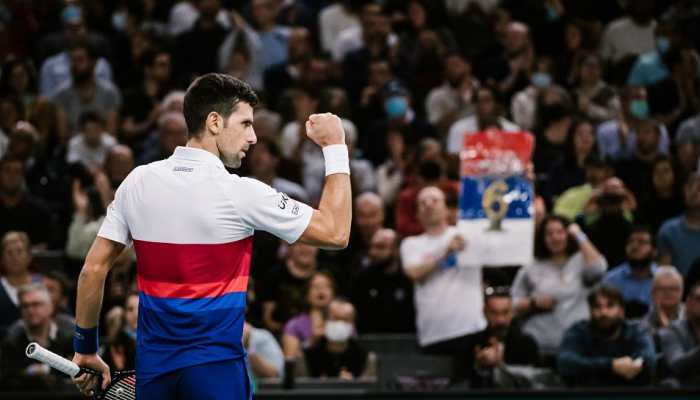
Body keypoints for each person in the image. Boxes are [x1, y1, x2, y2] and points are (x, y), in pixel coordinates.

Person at [70, 74, 352, 399]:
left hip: (153, 373)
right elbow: (335, 231)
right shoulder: (241, 193)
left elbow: (92, 271)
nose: (254, 137)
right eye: (246, 124)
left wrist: (86, 348)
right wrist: (335, 147)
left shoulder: (137, 182)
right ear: (215, 122)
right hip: (217, 372)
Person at [400, 186, 486, 354]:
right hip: (433, 333)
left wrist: (521, 182)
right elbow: (413, 272)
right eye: (422, 203)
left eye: (435, 200)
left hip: (470, 328)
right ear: (417, 214)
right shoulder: (411, 244)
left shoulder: (466, 235)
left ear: (447, 209)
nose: (429, 205)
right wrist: (445, 252)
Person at [512, 215, 607, 356]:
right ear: (542, 238)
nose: (555, 238)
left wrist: (579, 235)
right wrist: (533, 303)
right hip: (539, 343)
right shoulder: (531, 267)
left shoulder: (581, 261)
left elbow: (599, 270)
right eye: (549, 234)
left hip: (577, 345)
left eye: (560, 232)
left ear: (568, 235)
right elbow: (513, 304)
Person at [558, 285, 656, 387]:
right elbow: (566, 362)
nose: (603, 312)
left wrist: (630, 366)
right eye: (597, 307)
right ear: (590, 311)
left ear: (621, 311)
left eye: (610, 306)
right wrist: (612, 366)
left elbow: (648, 360)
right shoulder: (578, 331)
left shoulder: (636, 331)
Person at [454, 286, 540, 388]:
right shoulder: (470, 343)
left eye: (505, 312)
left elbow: (530, 383)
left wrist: (501, 365)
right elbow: (459, 380)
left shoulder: (526, 344)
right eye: (494, 313)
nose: (500, 320)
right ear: (484, 312)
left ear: (512, 313)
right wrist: (478, 365)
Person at [0, 283, 73, 390]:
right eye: (25, 306)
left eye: (36, 304)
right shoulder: (11, 342)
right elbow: (7, 379)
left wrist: (46, 370)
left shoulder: (69, 338)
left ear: (51, 307)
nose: (30, 310)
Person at [352, 228, 415, 333]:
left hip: (404, 343)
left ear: (396, 250)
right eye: (372, 246)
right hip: (369, 342)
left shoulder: (408, 279)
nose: (373, 252)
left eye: (380, 247)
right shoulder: (362, 279)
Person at [304, 299, 367, 379]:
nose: (340, 324)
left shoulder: (363, 355)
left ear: (353, 324)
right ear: (324, 321)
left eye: (345, 319)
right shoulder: (309, 355)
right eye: (335, 319)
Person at [603, 226, 659, 318]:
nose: (635, 246)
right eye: (630, 242)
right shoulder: (611, 280)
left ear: (654, 251)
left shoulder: (663, 279)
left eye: (641, 242)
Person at [281, 271, 336, 359]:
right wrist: (311, 342)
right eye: (315, 287)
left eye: (326, 286)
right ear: (307, 295)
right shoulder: (294, 325)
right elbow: (290, 360)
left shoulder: (343, 320)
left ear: (333, 293)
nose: (321, 290)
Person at [0, 231, 44, 336]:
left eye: (19, 251)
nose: (14, 257)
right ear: (2, 259)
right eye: (9, 253)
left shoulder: (44, 284)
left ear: (29, 256)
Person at [657, 172, 700, 277]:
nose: (693, 191)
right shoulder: (669, 230)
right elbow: (664, 274)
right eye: (689, 186)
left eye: (699, 187)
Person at [659, 281, 700, 387]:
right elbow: (676, 364)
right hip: (685, 388)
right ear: (688, 302)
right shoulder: (673, 330)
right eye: (699, 299)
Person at [640, 266, 685, 348]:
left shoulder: (693, 316)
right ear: (653, 293)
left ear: (681, 292)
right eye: (661, 288)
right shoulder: (642, 326)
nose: (667, 292)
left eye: (673, 288)